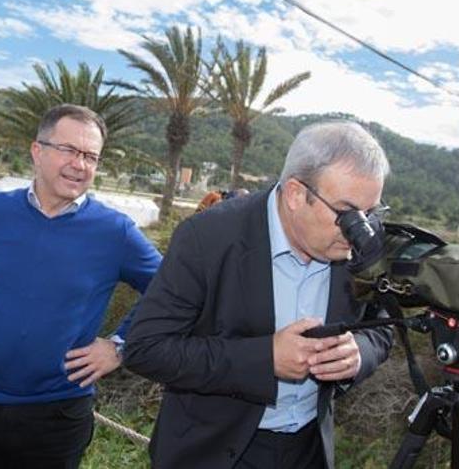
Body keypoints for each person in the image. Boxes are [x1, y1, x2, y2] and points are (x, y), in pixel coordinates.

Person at [124, 121, 394, 469]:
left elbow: (384, 324)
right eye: (347, 214)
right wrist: (263, 358)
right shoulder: (207, 238)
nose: (361, 230)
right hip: (214, 451)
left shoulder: (360, 243)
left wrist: (360, 352)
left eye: (371, 213)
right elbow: (145, 348)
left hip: (309, 450)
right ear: (296, 194)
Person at [0, 104, 162, 468]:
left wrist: (119, 345)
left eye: (90, 156)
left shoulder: (115, 232)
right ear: (37, 151)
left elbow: (169, 289)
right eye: (69, 150)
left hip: (58, 417)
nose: (79, 165)